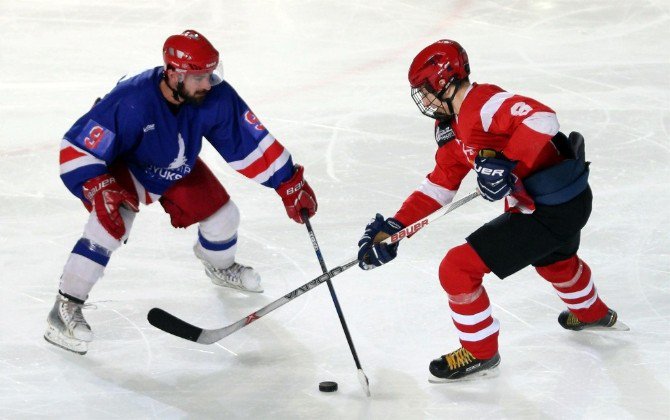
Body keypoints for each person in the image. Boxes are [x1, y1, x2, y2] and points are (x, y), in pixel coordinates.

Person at [356, 39, 623, 382]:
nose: (422, 100)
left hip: (549, 207)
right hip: (565, 202)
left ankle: (480, 353)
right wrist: (395, 228)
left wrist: (507, 161)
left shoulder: (483, 103)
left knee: (457, 268)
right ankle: (592, 313)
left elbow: (543, 118)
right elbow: (441, 184)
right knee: (556, 263)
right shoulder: (449, 128)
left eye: (425, 90)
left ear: (444, 82)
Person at [46, 30, 318, 355]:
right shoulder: (131, 99)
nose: (207, 83)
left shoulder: (211, 95)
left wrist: (288, 181)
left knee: (224, 218)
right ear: (173, 73)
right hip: (126, 167)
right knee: (110, 224)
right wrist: (96, 185)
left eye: (210, 74)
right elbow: (77, 146)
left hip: (174, 164)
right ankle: (65, 308)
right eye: (198, 77)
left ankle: (219, 265)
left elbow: (247, 137)